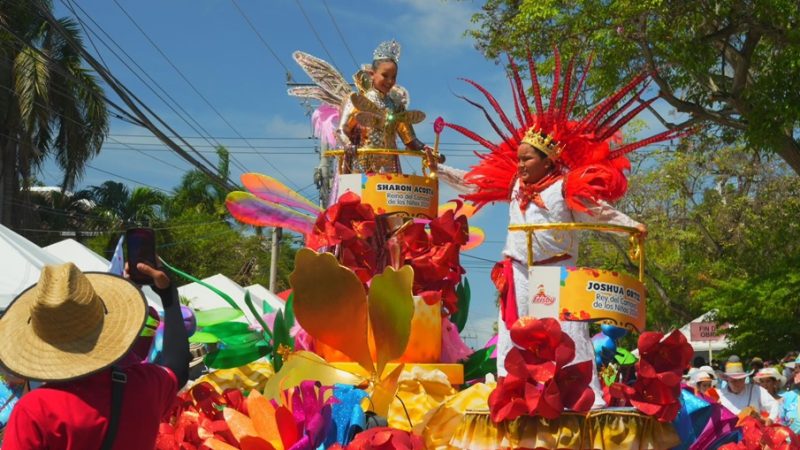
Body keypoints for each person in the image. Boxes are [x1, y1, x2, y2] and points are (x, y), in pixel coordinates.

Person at [439, 51, 688, 408]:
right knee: (516, 328)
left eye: (527, 159)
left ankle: (583, 396)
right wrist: (439, 170)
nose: (520, 164)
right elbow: (470, 182)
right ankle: (514, 391)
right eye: (519, 158)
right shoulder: (513, 184)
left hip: (555, 271)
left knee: (566, 330)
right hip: (519, 270)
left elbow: (601, 212)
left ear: (547, 160)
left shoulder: (565, 187)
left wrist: (632, 225)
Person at [0, 261, 190, 450]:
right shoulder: (143, 385)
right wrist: (169, 296)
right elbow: (178, 368)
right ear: (104, 326)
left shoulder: (36, 410)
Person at [337, 40, 430, 173]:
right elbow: (341, 130)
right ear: (372, 74)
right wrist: (348, 145)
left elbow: (410, 140)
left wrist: (426, 149)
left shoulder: (397, 106)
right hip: (361, 165)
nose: (390, 81)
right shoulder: (356, 100)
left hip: (390, 168)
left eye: (393, 77)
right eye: (385, 76)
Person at [780, 356, 800, 433]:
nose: (796, 371)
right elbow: (780, 423)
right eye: (795, 368)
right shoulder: (786, 397)